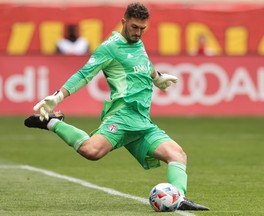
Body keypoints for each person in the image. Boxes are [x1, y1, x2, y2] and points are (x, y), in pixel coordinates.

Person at [25, 2, 209, 211]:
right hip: (121, 117)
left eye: (142, 28)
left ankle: (179, 198)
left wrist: (157, 78)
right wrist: (58, 96)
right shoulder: (109, 47)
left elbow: (144, 65)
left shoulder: (138, 43)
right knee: (91, 151)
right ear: (124, 22)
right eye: (134, 27)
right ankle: (53, 123)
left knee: (178, 155)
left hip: (142, 122)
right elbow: (84, 74)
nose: (138, 33)